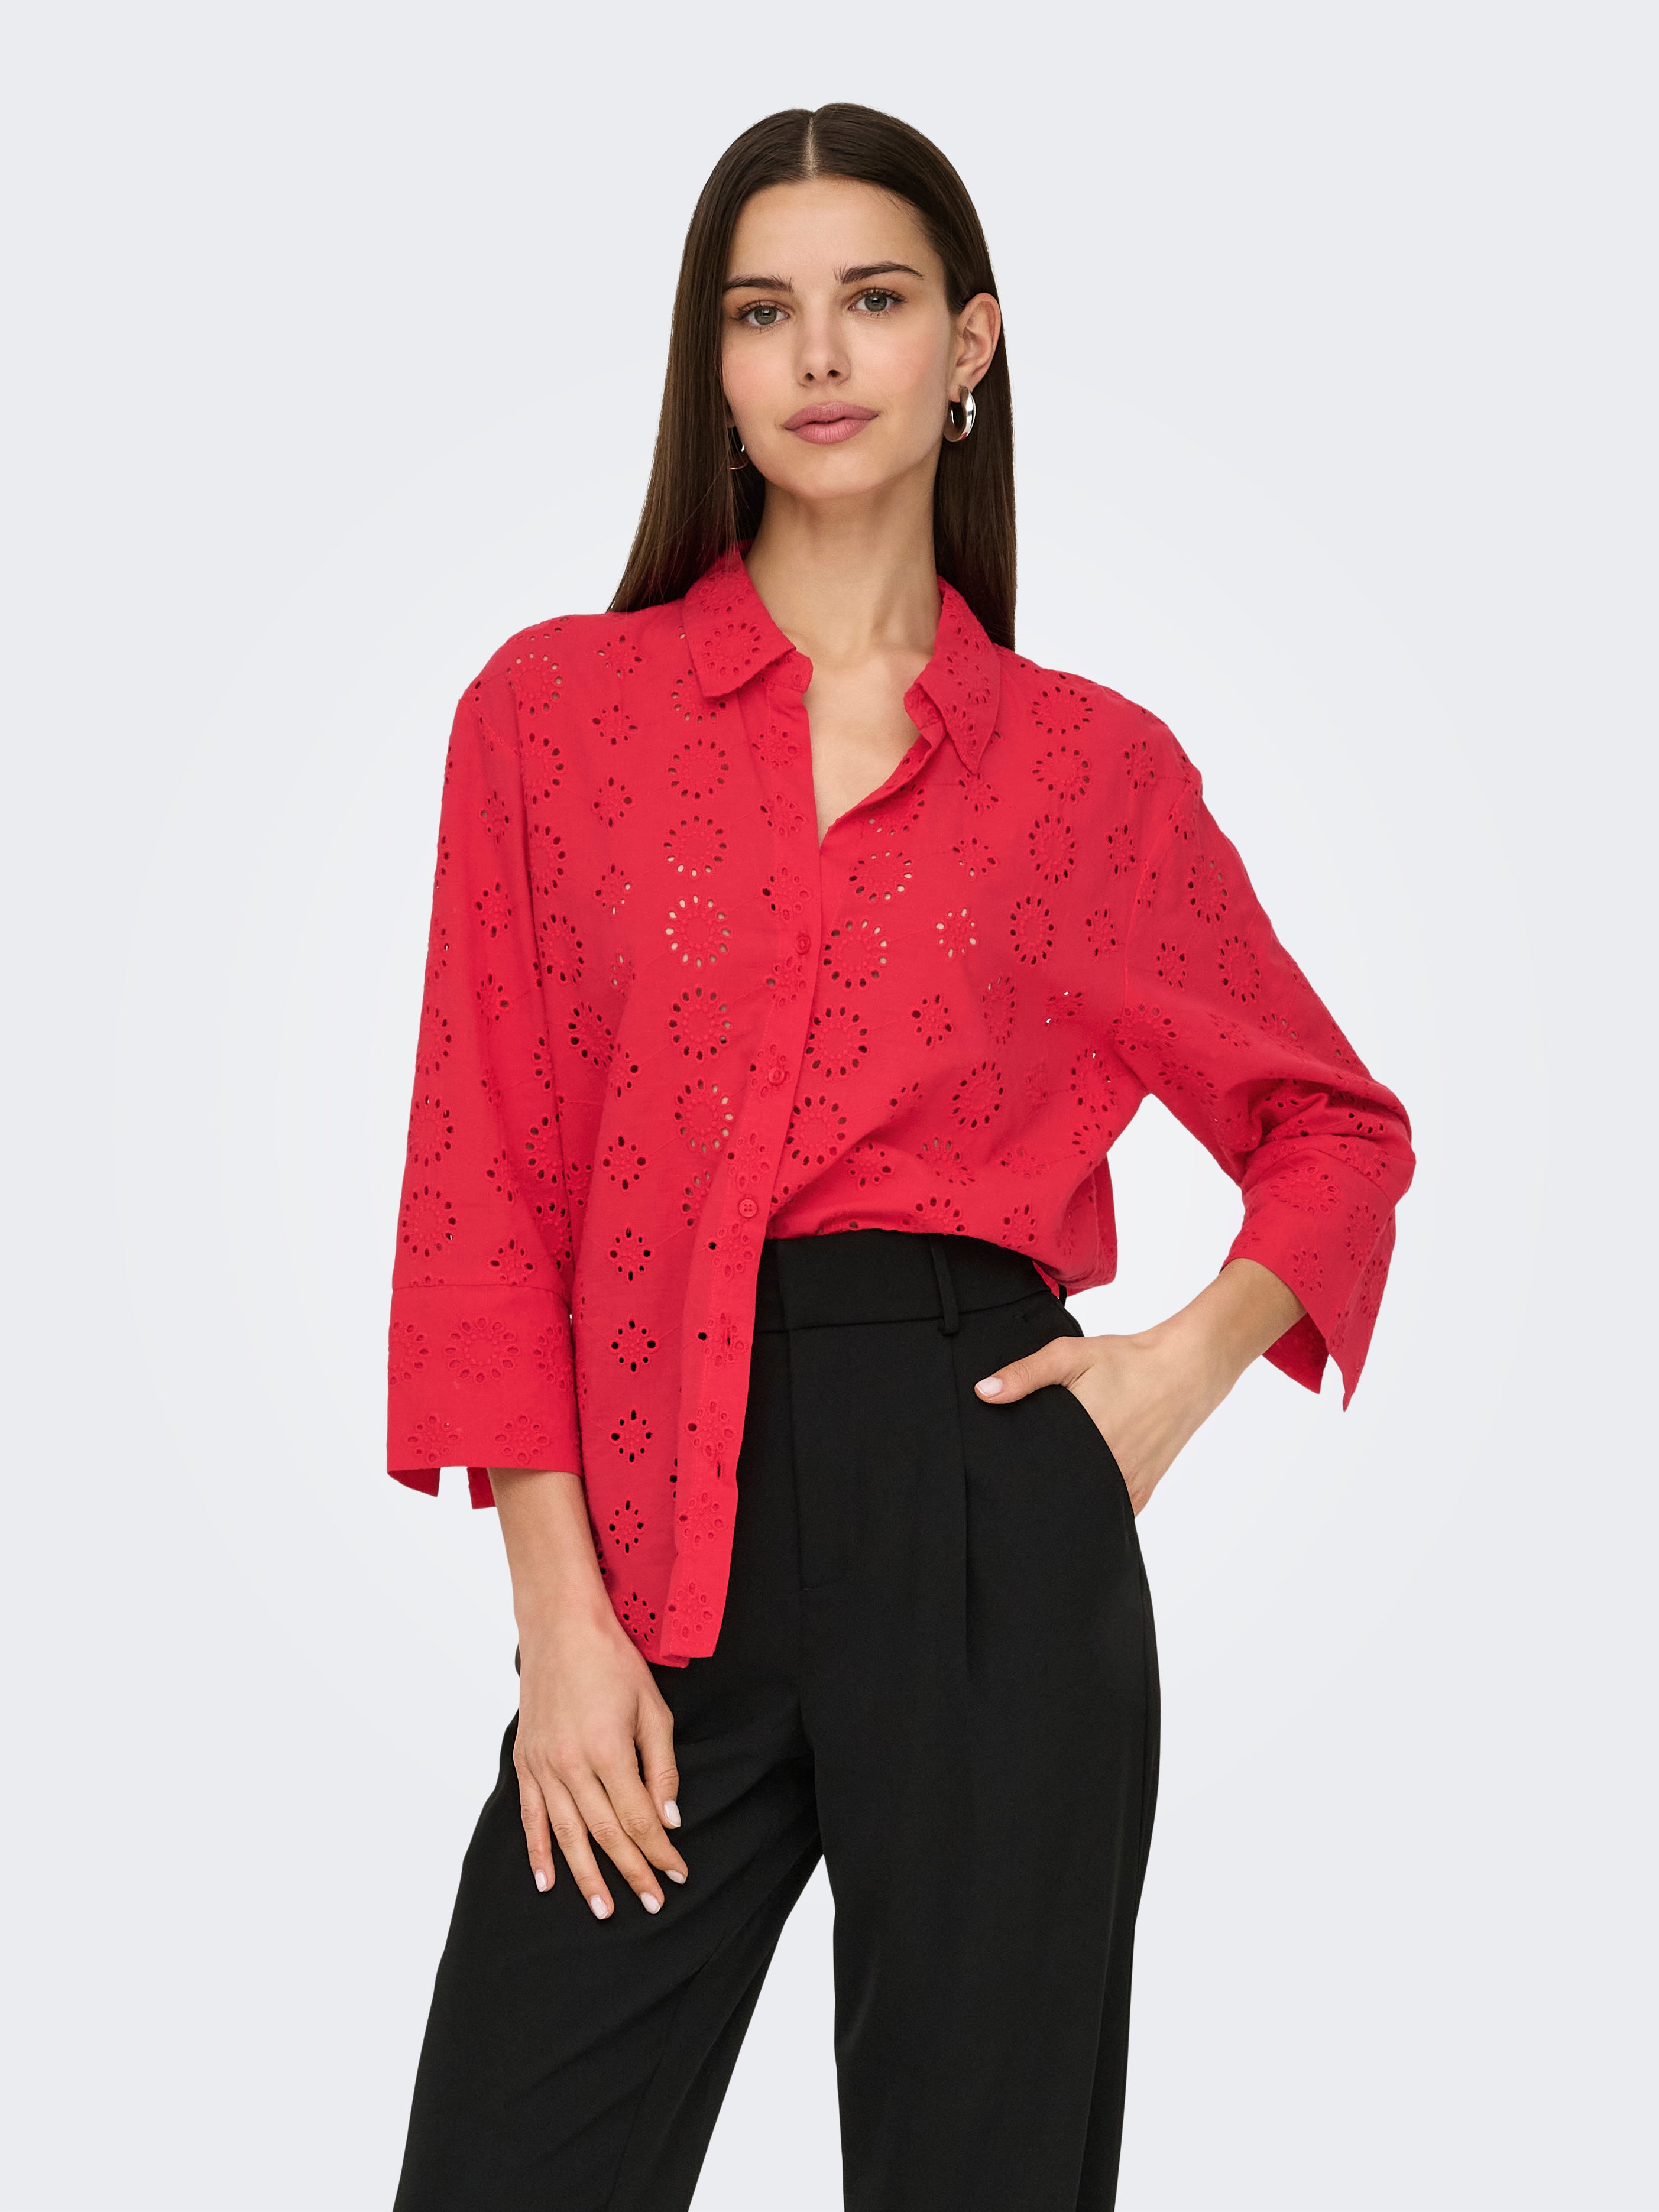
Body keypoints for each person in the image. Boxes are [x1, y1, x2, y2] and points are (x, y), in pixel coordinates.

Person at [383, 102, 1414, 2212]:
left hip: (986, 1508)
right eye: (762, 313)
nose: (820, 355)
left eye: (870, 300)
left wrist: (1176, 1370)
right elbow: (486, 1180)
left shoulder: (1088, 774)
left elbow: (1335, 1130)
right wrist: (559, 1619)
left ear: (969, 345)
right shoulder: (554, 719)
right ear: (714, 364)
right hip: (655, 1537)